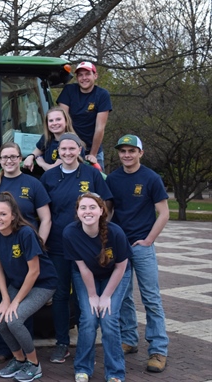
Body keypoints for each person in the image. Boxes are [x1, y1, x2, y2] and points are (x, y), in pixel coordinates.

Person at [0, 142, 51, 363]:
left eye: (13, 156)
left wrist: (40, 243)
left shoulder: (33, 183)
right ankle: (4, 348)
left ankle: (27, 354)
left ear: (20, 158)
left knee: (22, 304)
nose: (9, 160)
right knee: (2, 300)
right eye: (4, 157)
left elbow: (45, 218)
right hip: (0, 254)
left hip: (26, 253)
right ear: (0, 160)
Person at [39, 132, 112, 364]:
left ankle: (86, 339)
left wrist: (102, 234)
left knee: (84, 295)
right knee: (60, 295)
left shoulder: (92, 174)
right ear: (57, 152)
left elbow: (107, 205)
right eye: (63, 149)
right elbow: (42, 211)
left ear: (80, 150)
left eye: (72, 149)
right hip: (58, 245)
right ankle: (62, 343)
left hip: (86, 247)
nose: (68, 153)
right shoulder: (49, 177)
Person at [105, 134, 170, 373]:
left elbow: (163, 213)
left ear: (140, 153)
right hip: (120, 247)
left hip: (141, 247)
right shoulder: (112, 178)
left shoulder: (151, 178)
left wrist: (149, 240)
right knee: (122, 297)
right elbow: (109, 212)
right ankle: (129, 340)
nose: (127, 155)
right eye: (123, 151)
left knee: (151, 297)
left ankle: (158, 349)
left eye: (132, 150)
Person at [0, 192, 57, 381]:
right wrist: (5, 299)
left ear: (13, 216)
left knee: (14, 320)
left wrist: (15, 302)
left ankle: (34, 364)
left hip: (42, 283)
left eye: (2, 214)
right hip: (18, 283)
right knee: (1, 318)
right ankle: (18, 359)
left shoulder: (25, 233)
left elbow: (34, 271)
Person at [63, 192, 132, 382]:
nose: (88, 211)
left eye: (92, 207)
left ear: (101, 211)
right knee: (89, 319)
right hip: (87, 276)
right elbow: (82, 268)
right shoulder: (70, 233)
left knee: (109, 319)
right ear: (77, 212)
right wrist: (93, 296)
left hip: (116, 275)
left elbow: (121, 266)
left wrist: (107, 296)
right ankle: (83, 368)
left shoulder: (115, 232)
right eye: (83, 207)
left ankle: (115, 373)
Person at [57, 61, 112, 170]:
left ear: (95, 76)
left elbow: (100, 128)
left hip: (93, 149)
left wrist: (93, 154)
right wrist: (72, 148)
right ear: (77, 78)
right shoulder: (69, 90)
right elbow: (63, 121)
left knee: (97, 182)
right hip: (70, 148)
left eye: (87, 74)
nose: (84, 78)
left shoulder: (102, 95)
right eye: (80, 75)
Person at [23, 106, 81, 173]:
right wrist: (30, 157)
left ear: (66, 121)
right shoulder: (47, 138)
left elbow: (53, 170)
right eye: (51, 120)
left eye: (58, 119)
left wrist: (41, 162)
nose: (54, 123)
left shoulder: (71, 143)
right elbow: (37, 151)